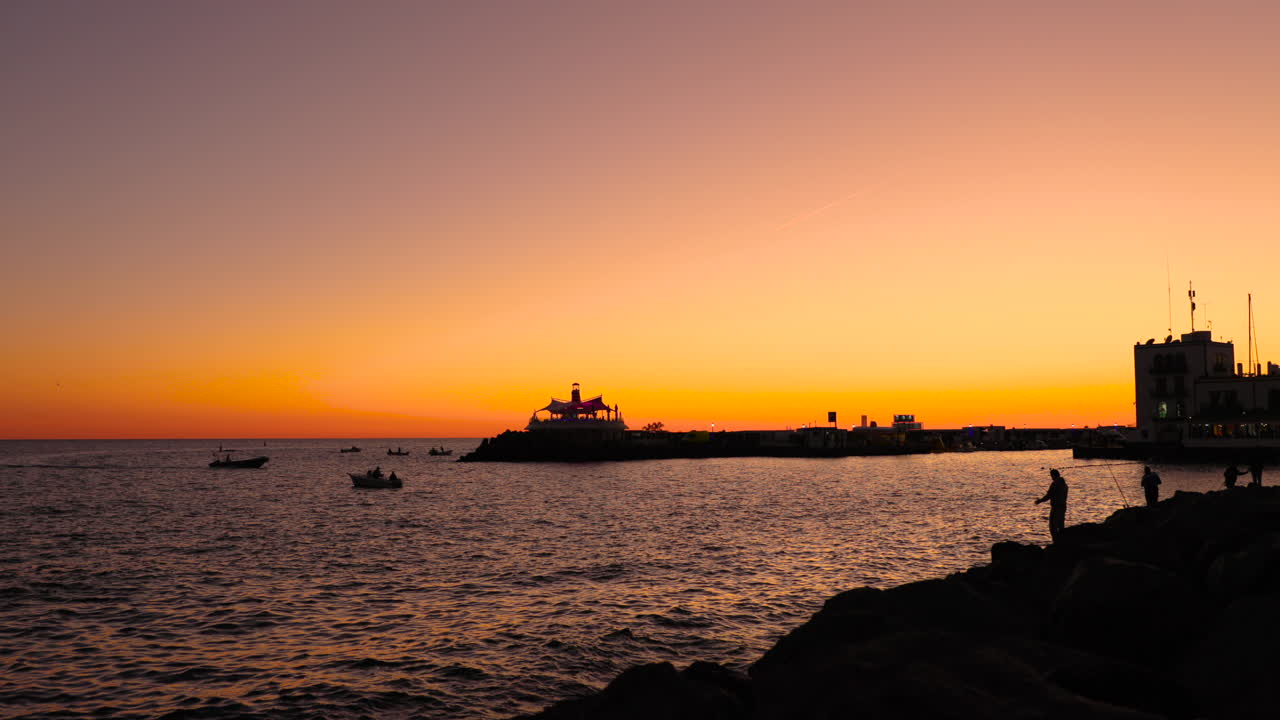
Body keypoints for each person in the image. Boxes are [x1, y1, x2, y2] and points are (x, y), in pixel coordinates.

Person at [1035, 469, 1069, 542]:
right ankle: (1062, 541)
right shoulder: (1065, 485)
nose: (1051, 477)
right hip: (1063, 507)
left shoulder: (1054, 484)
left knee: (1052, 526)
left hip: (1056, 507)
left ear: (1054, 475)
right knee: (1060, 525)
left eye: (1051, 476)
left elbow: (1048, 496)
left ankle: (1056, 542)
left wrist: (1039, 501)